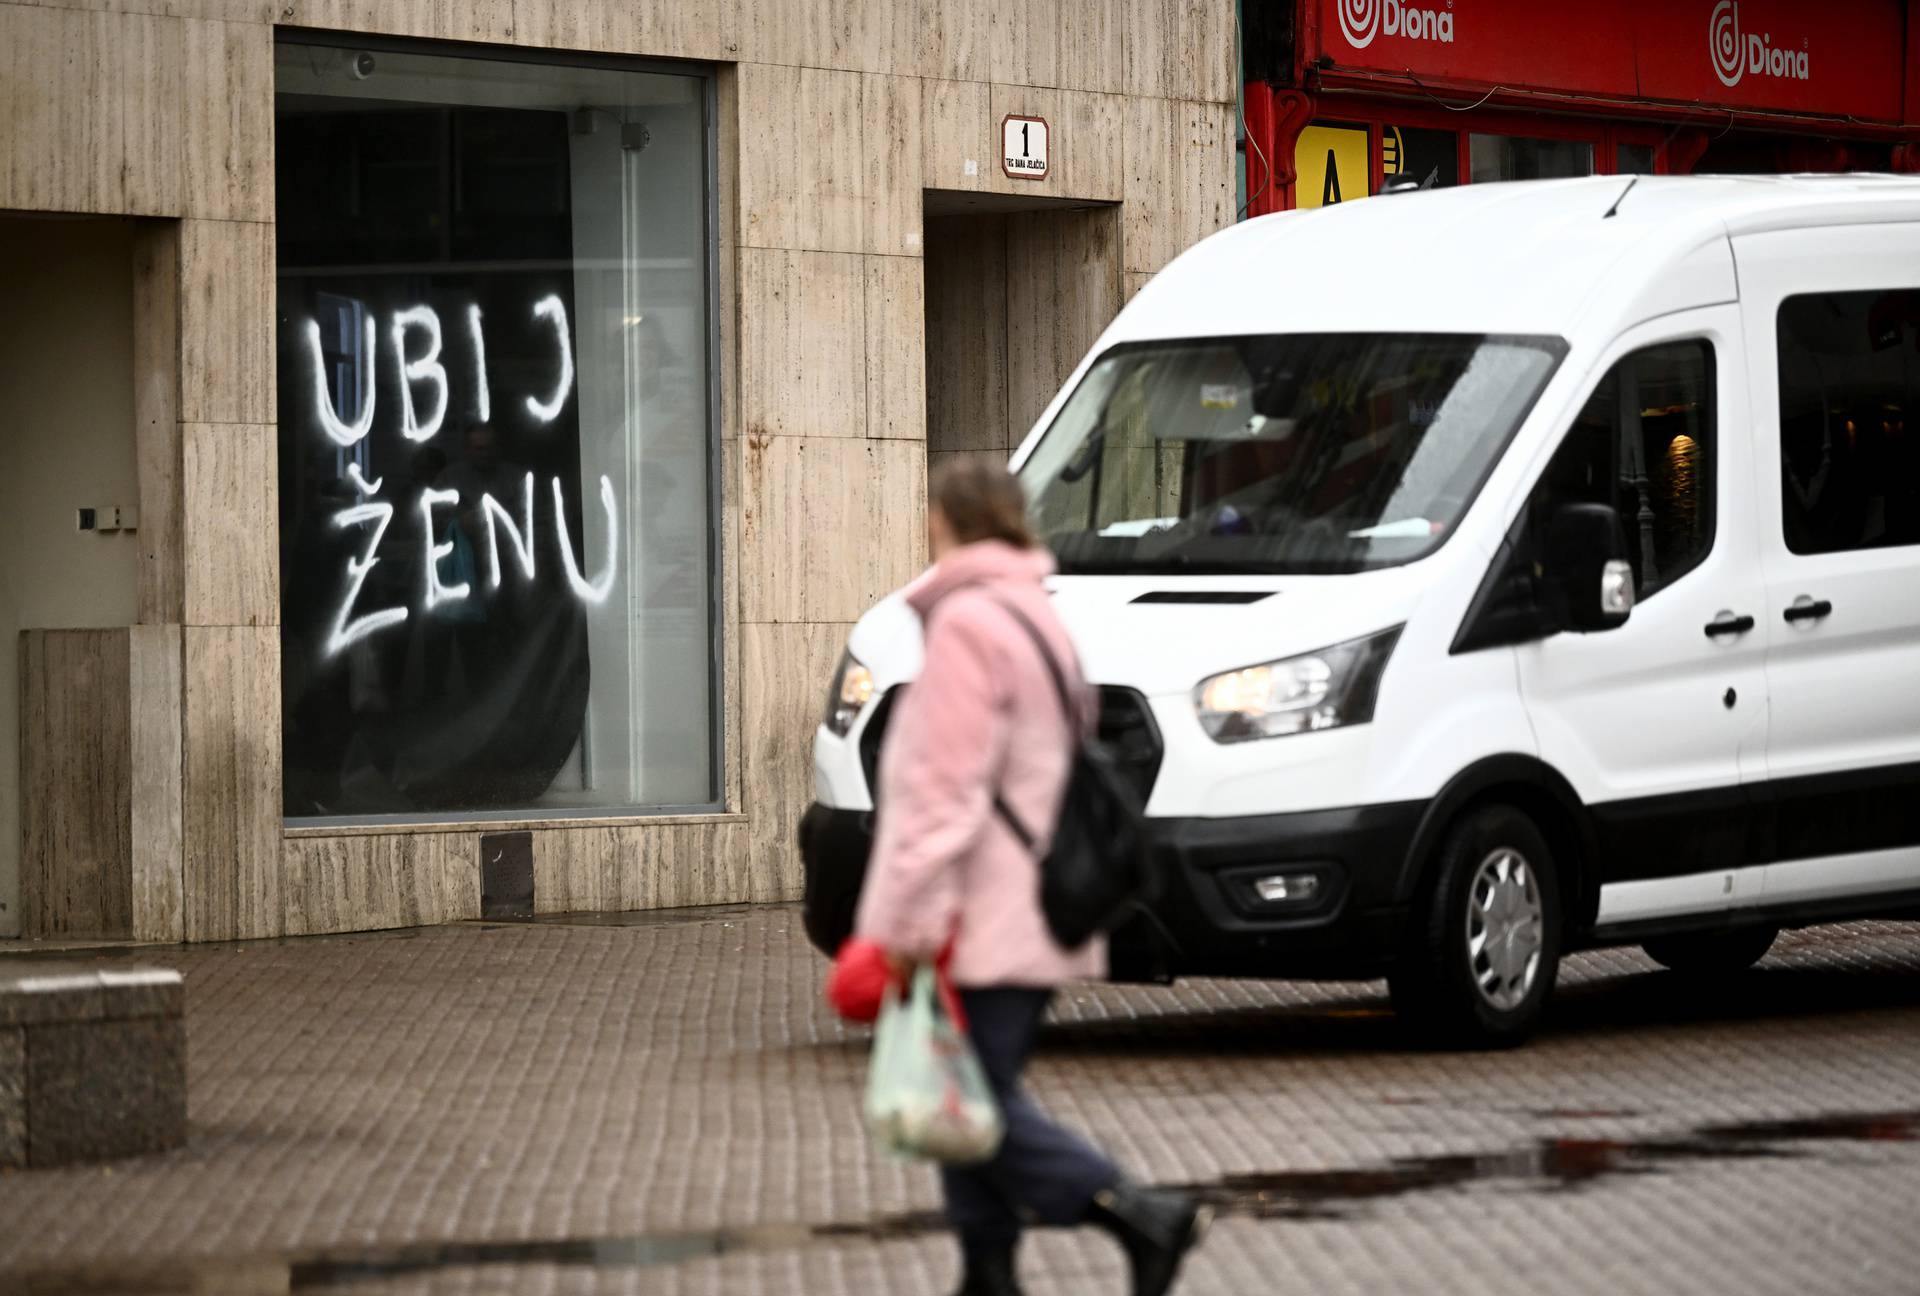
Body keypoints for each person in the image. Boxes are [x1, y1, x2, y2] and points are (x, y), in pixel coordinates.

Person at [853, 459, 1207, 1296]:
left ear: (945, 522)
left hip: (981, 910)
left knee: (973, 1101)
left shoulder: (970, 625)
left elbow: (944, 791)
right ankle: (986, 1272)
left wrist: (904, 925)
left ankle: (1135, 1211)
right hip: (1036, 900)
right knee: (967, 1089)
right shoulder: (1038, 617)